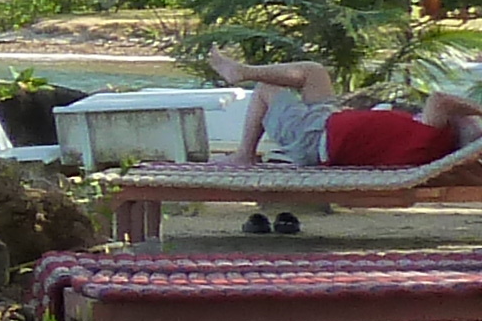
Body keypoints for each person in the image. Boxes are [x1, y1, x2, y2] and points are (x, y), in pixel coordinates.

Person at [202, 54, 482, 224]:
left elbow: (440, 99)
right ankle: (242, 71)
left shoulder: (434, 137)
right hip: (326, 121)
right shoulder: (432, 141)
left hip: (313, 136)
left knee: (267, 88)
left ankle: (244, 152)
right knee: (313, 72)